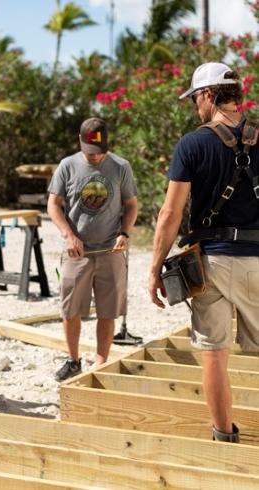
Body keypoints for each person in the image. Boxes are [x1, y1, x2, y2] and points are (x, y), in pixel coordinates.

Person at [149, 62, 259, 443]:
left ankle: (223, 435)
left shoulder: (192, 144)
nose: (196, 106)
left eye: (196, 98)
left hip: (209, 262)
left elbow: (170, 213)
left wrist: (153, 269)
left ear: (210, 95)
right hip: (257, 260)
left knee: (214, 354)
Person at [47, 117, 138, 381]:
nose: (96, 158)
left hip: (111, 252)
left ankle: (100, 362)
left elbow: (131, 204)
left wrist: (125, 233)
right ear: (80, 141)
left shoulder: (121, 166)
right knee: (71, 309)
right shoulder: (67, 166)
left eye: (101, 153)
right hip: (77, 253)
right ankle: (73, 360)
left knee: (108, 310)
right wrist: (68, 235)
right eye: (91, 153)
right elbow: (54, 204)